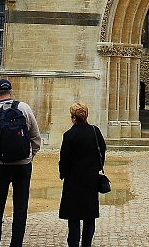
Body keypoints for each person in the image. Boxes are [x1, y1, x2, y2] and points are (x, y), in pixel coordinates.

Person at [0, 78, 42, 247]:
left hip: (0, 165)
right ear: (11, 92)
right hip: (23, 165)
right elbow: (36, 137)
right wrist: (29, 156)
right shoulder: (24, 108)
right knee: (20, 208)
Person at [57, 102, 106, 247]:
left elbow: (64, 159)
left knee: (73, 217)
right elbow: (102, 150)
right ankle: (86, 244)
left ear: (73, 118)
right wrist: (97, 167)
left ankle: (73, 244)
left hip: (73, 180)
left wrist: (63, 174)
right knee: (89, 216)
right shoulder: (95, 132)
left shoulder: (69, 135)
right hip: (91, 179)